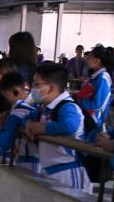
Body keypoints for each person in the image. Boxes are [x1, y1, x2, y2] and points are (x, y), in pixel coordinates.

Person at [23, 62, 92, 191]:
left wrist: (42, 128)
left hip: (68, 173)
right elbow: (28, 116)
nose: (33, 89)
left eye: (37, 84)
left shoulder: (68, 107)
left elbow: (69, 127)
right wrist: (28, 123)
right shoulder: (47, 108)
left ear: (51, 88)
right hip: (51, 170)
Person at [0, 72, 38, 170]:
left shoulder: (17, 112)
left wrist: (0, 127)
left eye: (6, 95)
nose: (7, 100)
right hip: (41, 160)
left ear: (15, 90)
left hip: (27, 160)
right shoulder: (39, 102)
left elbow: (4, 143)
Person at [79, 46, 114, 128]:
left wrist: (79, 101)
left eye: (89, 57)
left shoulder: (103, 79)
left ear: (96, 61)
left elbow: (97, 104)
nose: (86, 59)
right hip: (88, 117)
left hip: (94, 121)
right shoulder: (96, 76)